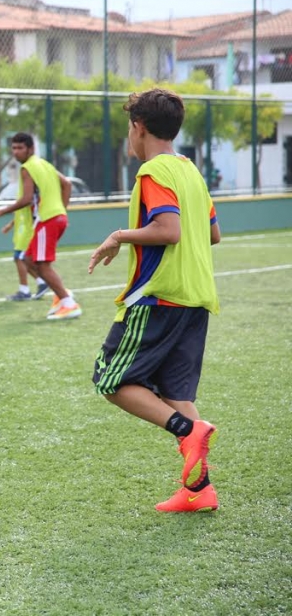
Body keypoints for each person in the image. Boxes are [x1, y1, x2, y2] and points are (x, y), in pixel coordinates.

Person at [88, 88, 221, 513]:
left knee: (110, 380)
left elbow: (168, 231)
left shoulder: (154, 173)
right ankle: (200, 491)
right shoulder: (190, 172)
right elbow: (213, 234)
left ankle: (186, 430)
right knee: (175, 390)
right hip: (195, 298)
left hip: (158, 298)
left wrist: (120, 235)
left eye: (129, 126)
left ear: (139, 127)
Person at [0, 132, 81, 319]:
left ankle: (69, 303)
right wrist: (62, 210)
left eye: (20, 148)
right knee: (28, 258)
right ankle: (62, 294)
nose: (16, 152)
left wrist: (1, 211)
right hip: (54, 218)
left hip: (47, 219)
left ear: (31, 149)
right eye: (13, 148)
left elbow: (25, 200)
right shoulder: (45, 164)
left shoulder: (28, 168)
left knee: (40, 264)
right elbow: (67, 184)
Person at [1, 176, 48, 302]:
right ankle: (42, 282)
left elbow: (34, 211)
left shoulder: (33, 195)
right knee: (22, 259)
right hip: (22, 230)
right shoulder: (24, 192)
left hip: (29, 230)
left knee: (20, 258)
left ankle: (25, 290)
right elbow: (20, 211)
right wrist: (10, 225)